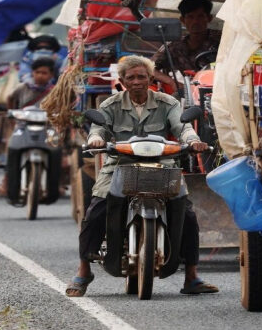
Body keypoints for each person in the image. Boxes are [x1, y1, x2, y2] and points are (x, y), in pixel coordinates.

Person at [65, 55, 218, 297]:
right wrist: (96, 139)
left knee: (187, 214)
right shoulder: (110, 105)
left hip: (162, 164)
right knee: (96, 211)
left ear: (150, 79)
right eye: (131, 77)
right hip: (119, 165)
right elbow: (98, 129)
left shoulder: (168, 103)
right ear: (122, 81)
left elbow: (183, 127)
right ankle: (84, 271)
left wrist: (192, 140)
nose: (136, 81)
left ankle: (192, 276)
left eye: (141, 77)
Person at [0, 57, 56, 197]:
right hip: (23, 125)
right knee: (12, 149)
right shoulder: (23, 87)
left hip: (46, 126)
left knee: (56, 150)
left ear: (51, 75)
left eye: (44, 73)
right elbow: (10, 98)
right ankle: (7, 181)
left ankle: (55, 184)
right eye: (37, 72)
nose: (40, 75)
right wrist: (12, 114)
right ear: (32, 72)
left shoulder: (54, 90)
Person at [151, 0, 221, 92]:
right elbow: (149, 67)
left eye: (200, 16)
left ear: (209, 18)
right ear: (183, 20)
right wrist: (172, 82)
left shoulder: (221, 39)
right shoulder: (174, 45)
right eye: (190, 17)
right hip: (189, 93)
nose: (195, 22)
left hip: (219, 90)